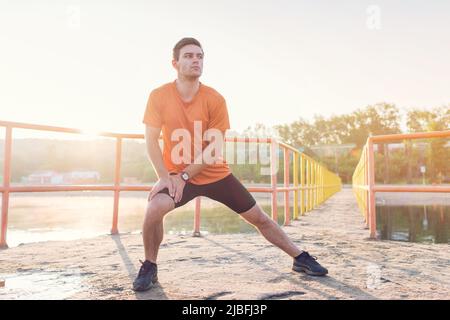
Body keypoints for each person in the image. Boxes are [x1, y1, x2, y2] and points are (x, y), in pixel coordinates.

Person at [133, 37, 328, 292]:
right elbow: (151, 140)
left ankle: (300, 258)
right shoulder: (158, 96)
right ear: (175, 63)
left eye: (200, 56)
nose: (196, 60)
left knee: (258, 217)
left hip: (214, 174)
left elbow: (213, 150)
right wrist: (164, 176)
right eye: (189, 56)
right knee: (154, 208)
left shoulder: (215, 99)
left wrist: (183, 177)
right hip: (176, 175)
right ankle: (150, 266)